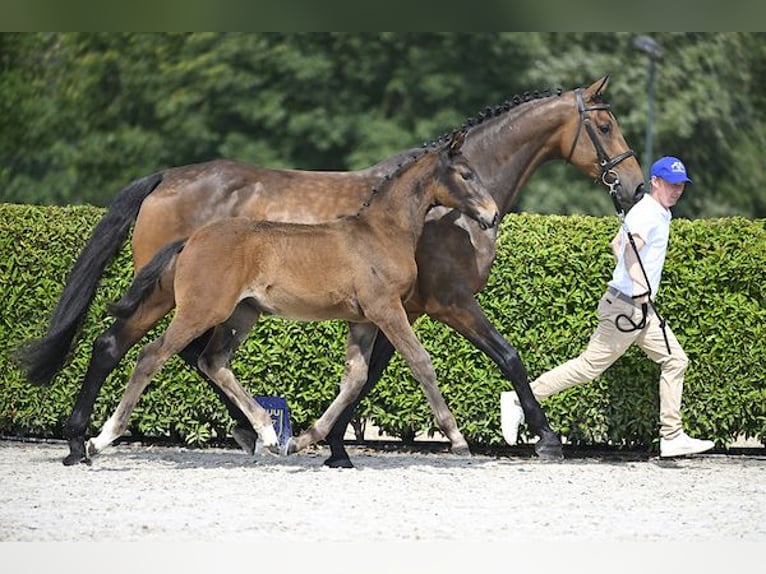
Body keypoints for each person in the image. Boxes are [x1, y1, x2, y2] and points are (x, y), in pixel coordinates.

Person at [501, 156, 714, 458]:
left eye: (680, 186)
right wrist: (639, 288)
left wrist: (637, 286)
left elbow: (616, 245)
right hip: (628, 308)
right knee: (589, 367)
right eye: (671, 184)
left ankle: (672, 436)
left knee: (676, 360)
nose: (677, 190)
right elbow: (628, 250)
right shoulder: (649, 213)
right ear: (655, 182)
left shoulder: (655, 212)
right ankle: (520, 398)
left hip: (637, 307)